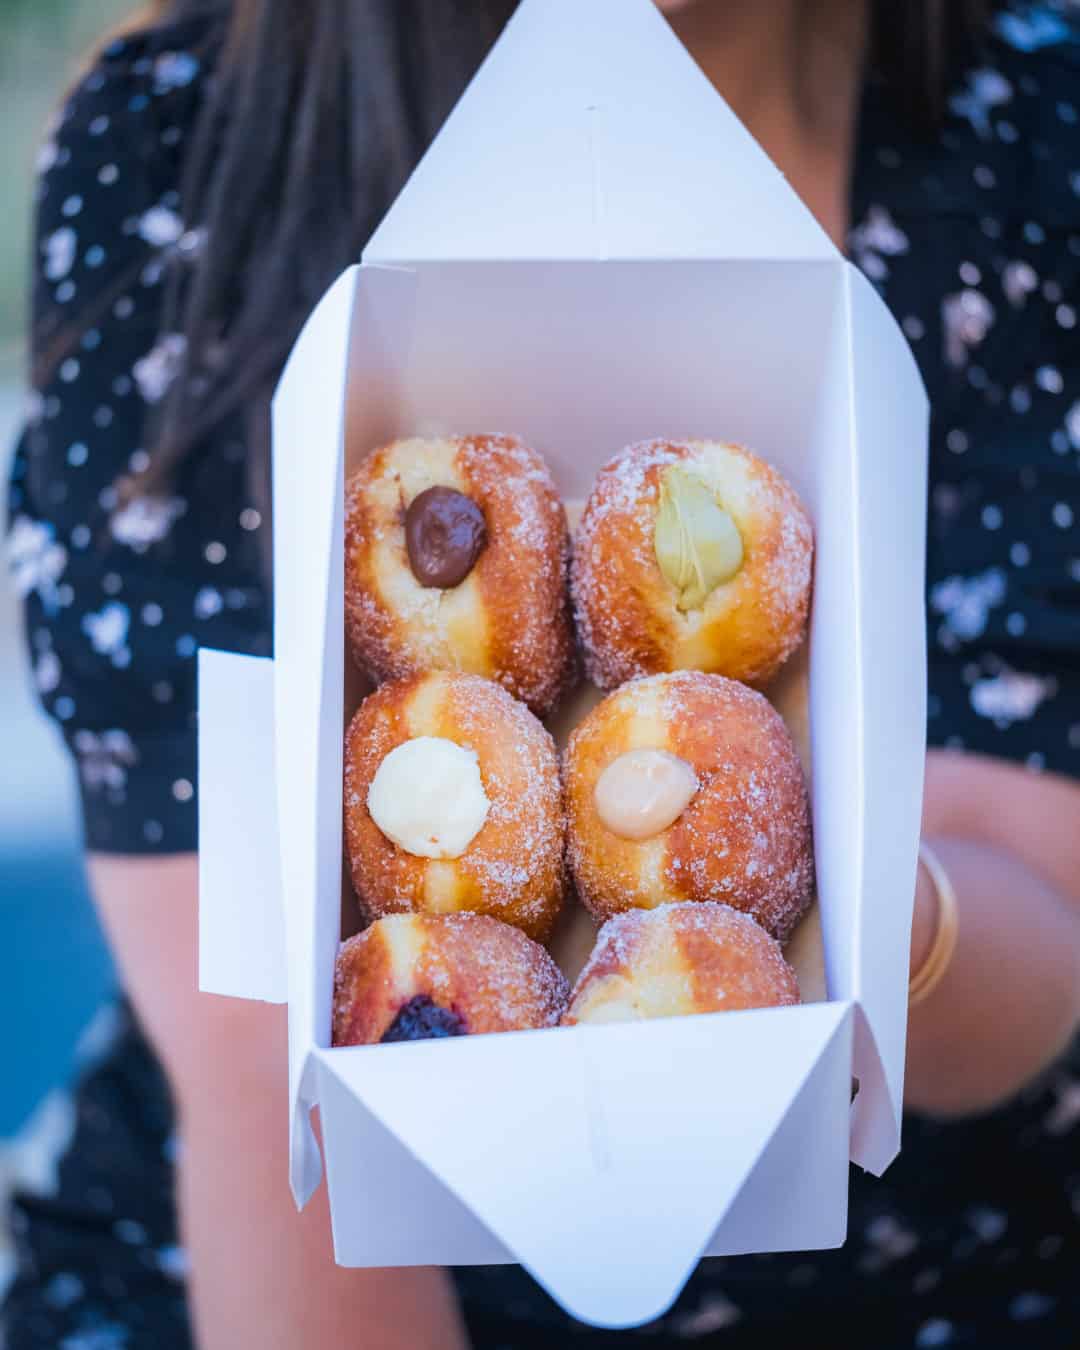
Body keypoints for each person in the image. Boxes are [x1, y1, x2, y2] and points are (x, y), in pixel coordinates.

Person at [5, 0, 1079, 1346]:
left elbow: (1032, 931)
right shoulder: (179, 144)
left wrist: (870, 906)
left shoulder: (1043, 140)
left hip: (952, 1269)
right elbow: (256, 1082)